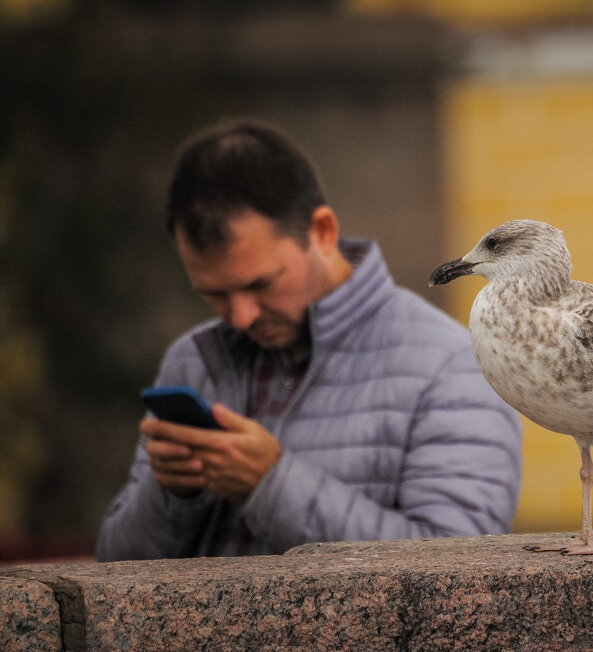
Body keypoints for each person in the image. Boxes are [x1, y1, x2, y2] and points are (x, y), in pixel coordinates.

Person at [96, 120, 522, 560]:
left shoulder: (455, 366)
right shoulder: (192, 360)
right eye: (215, 295)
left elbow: (463, 574)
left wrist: (270, 485)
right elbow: (113, 568)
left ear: (322, 232)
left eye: (261, 284)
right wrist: (172, 496)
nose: (241, 317)